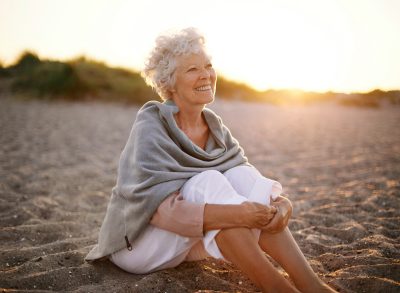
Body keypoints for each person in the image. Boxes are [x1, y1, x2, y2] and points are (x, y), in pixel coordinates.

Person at [85, 27, 337, 293]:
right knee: (207, 180)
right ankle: (277, 288)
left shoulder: (215, 127)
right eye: (192, 69)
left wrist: (282, 206)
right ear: (169, 83)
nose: (206, 74)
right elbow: (160, 212)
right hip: (137, 244)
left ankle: (312, 286)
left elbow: (249, 182)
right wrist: (240, 214)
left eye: (208, 66)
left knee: (238, 174)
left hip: (186, 242)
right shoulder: (151, 125)